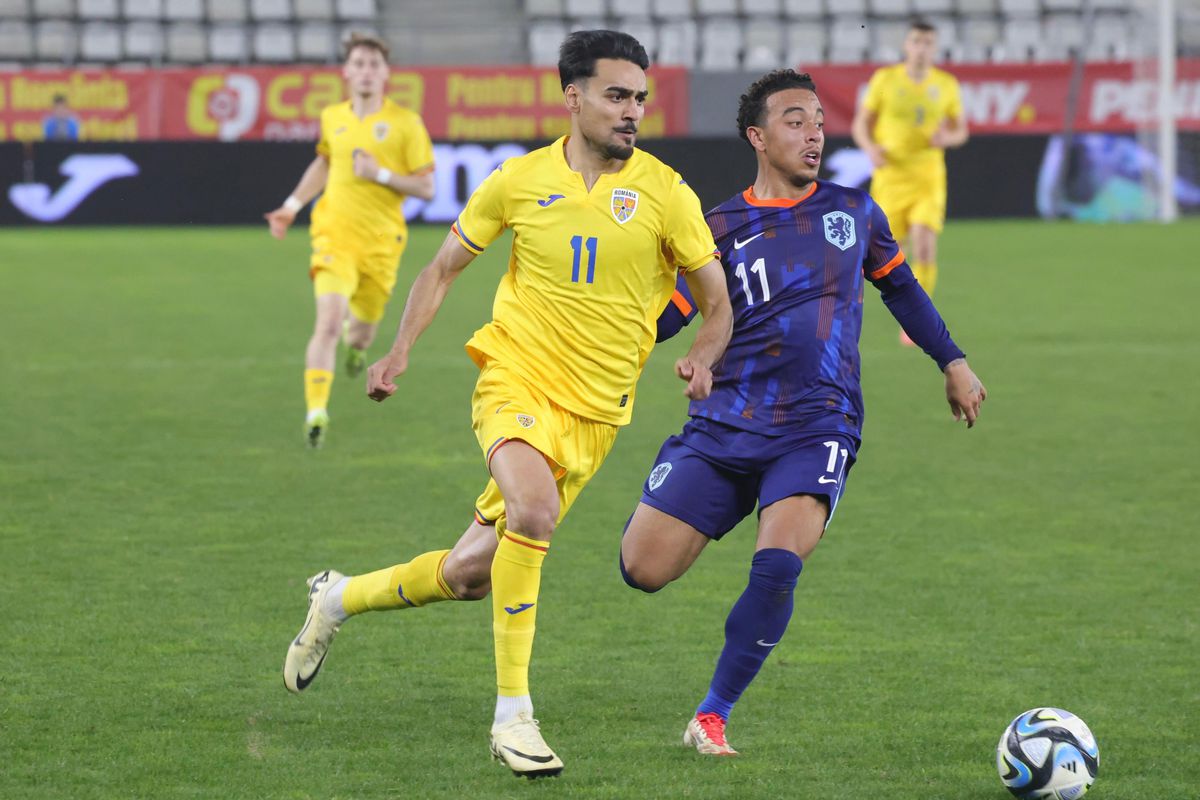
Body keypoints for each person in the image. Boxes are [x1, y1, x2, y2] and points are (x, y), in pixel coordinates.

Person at [282, 30, 733, 778]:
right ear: (574, 98)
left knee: (469, 575)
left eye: (640, 99)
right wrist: (397, 352)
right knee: (533, 510)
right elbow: (442, 267)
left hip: (595, 417)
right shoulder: (519, 179)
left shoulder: (666, 192)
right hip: (515, 379)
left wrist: (702, 353)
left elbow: (718, 304)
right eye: (617, 96)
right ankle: (513, 717)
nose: (632, 112)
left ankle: (337, 600)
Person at [621, 69, 986, 757]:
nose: (813, 132)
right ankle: (710, 489)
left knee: (779, 563)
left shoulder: (856, 212)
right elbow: (667, 315)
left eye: (818, 119)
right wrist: (658, 348)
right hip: (727, 420)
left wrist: (953, 361)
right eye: (794, 119)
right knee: (642, 568)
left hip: (819, 421)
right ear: (758, 136)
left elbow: (902, 290)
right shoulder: (719, 228)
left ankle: (712, 715)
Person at [265, 33, 435, 448]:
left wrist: (378, 174)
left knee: (359, 333)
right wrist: (291, 204)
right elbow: (325, 163)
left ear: (385, 74)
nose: (365, 71)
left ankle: (356, 350)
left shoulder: (405, 123)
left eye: (373, 64)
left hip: (380, 244)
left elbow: (427, 188)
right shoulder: (333, 116)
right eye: (358, 63)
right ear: (346, 72)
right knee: (325, 323)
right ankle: (316, 411)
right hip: (333, 235)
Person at [851, 19, 968, 344]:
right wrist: (870, 147)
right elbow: (861, 125)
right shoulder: (885, 80)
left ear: (935, 48)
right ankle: (899, 307)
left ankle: (916, 323)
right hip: (891, 176)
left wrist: (947, 137)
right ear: (906, 45)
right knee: (891, 252)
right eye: (916, 41)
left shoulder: (946, 84)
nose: (921, 48)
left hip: (928, 175)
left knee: (925, 243)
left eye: (928, 43)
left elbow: (961, 131)